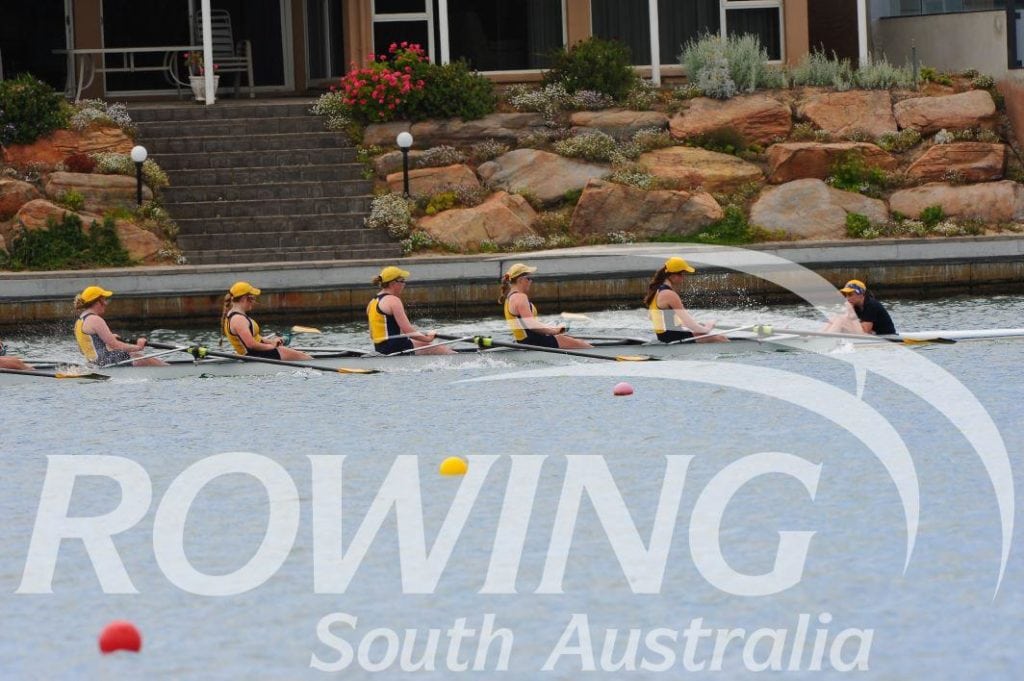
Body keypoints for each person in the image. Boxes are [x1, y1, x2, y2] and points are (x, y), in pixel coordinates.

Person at [500, 263, 592, 349]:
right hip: (534, 343)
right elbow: (531, 325)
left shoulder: (509, 298)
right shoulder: (520, 297)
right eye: (528, 278)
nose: (531, 281)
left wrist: (551, 328)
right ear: (520, 280)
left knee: (569, 339)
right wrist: (554, 331)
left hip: (525, 342)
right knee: (585, 346)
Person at [367, 266, 455, 355]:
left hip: (380, 349)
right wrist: (428, 338)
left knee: (423, 343)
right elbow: (408, 331)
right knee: (437, 348)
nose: (404, 284)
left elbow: (372, 334)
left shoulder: (372, 303)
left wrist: (421, 338)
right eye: (402, 281)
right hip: (395, 348)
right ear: (393, 283)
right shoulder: (393, 300)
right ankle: (459, 359)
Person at [73, 285, 167, 367]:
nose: (106, 303)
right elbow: (115, 345)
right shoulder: (95, 319)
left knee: (130, 354)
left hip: (93, 363)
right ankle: (168, 370)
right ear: (98, 302)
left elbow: (83, 349)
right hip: (105, 362)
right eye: (104, 300)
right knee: (137, 356)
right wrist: (138, 346)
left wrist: (108, 338)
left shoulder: (79, 322)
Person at [643, 257, 727, 343]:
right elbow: (689, 324)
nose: (683, 278)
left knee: (706, 333)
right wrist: (708, 327)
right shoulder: (669, 294)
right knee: (721, 338)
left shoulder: (657, 290)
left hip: (667, 337)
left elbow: (651, 317)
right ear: (672, 276)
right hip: (673, 339)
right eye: (681, 274)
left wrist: (681, 325)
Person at [222, 282, 312, 361]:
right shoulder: (238, 319)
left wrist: (271, 342)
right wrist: (271, 347)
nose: (254, 301)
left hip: (257, 354)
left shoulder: (236, 315)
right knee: (306, 358)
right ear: (244, 298)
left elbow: (256, 338)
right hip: (255, 356)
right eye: (252, 297)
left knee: (300, 355)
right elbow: (251, 344)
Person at [826, 279, 896, 336]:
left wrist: (851, 312)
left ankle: (828, 339)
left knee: (840, 320)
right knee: (835, 318)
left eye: (850, 295)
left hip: (886, 337)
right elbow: (850, 322)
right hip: (871, 334)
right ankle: (822, 337)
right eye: (846, 295)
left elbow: (865, 331)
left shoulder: (871, 305)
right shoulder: (856, 305)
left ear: (861, 294)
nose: (847, 298)